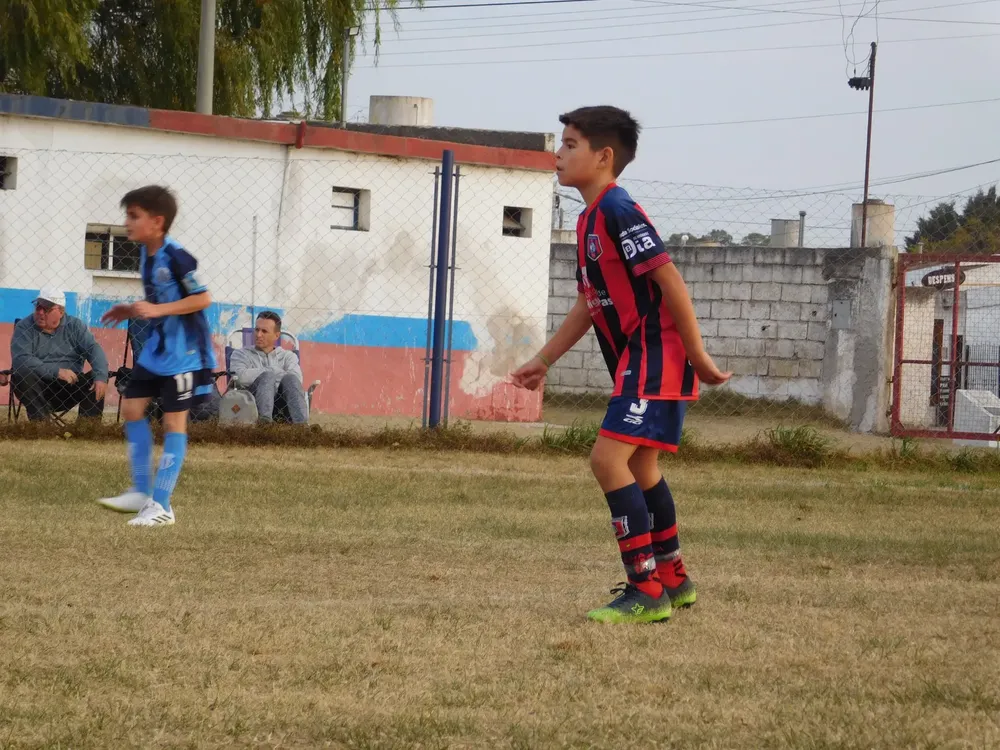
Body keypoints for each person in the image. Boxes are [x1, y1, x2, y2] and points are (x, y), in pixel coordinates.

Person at [511, 106, 731, 624]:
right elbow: (591, 303)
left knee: (607, 461)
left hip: (657, 354)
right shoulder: (590, 219)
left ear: (603, 156)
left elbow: (669, 280)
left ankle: (644, 588)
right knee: (639, 465)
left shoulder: (617, 209)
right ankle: (672, 579)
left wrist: (696, 355)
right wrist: (544, 360)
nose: (558, 154)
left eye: (569, 145)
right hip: (643, 359)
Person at [96, 185, 217, 527]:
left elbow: (202, 299)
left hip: (184, 353)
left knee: (172, 423)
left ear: (157, 222)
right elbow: (155, 305)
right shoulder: (147, 254)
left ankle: (161, 506)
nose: (127, 222)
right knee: (132, 410)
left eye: (134, 216)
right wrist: (131, 309)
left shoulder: (177, 256)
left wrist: (156, 308)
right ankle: (141, 490)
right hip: (157, 349)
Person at [10, 287, 109, 421]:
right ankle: (41, 428)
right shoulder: (24, 327)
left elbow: (93, 349)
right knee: (23, 375)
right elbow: (21, 360)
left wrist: (101, 376)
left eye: (46, 309)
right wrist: (56, 371)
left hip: (69, 386)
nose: (40, 312)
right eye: (37, 307)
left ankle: (86, 428)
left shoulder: (75, 326)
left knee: (97, 376)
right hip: (36, 386)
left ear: (61, 312)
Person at [230, 311, 308, 424]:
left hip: (282, 403)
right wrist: (272, 371)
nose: (258, 334)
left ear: (276, 335)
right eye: (257, 329)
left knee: (290, 379)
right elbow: (240, 377)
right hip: (252, 402)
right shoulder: (241, 354)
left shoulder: (288, 356)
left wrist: (269, 375)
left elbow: (296, 379)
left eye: (264, 331)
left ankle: (302, 427)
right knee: (267, 376)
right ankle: (265, 425)